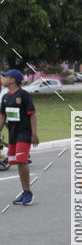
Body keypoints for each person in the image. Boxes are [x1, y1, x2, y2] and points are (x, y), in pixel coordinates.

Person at [0, 69, 38, 205]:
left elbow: (32, 115)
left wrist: (34, 134)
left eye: (5, 77)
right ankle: (24, 191)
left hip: (24, 133)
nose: (3, 79)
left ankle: (28, 193)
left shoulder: (24, 95)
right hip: (13, 134)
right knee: (18, 163)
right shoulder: (5, 97)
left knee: (22, 161)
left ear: (13, 79)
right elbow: (3, 118)